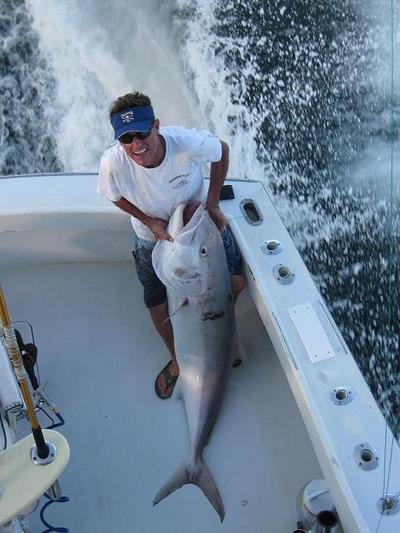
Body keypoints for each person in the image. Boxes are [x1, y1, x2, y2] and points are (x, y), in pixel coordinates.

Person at [98, 91, 246, 399]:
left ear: (156, 126)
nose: (136, 145)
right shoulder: (112, 162)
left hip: (197, 225)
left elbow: (221, 150)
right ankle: (178, 359)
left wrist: (213, 203)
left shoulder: (184, 142)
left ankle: (220, 336)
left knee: (236, 281)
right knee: (157, 304)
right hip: (151, 237)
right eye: (126, 138)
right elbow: (112, 194)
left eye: (142, 133)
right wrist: (147, 220)